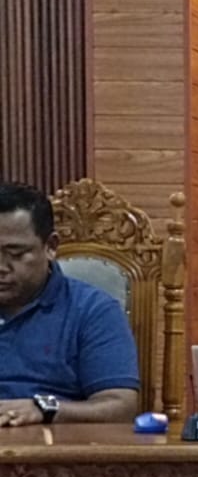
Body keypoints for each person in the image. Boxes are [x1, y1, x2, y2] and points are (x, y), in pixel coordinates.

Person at [0, 182, 139, 426]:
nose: (1, 267)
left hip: (54, 451)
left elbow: (121, 405)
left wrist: (44, 408)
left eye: (15, 253)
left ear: (51, 247)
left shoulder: (92, 309)